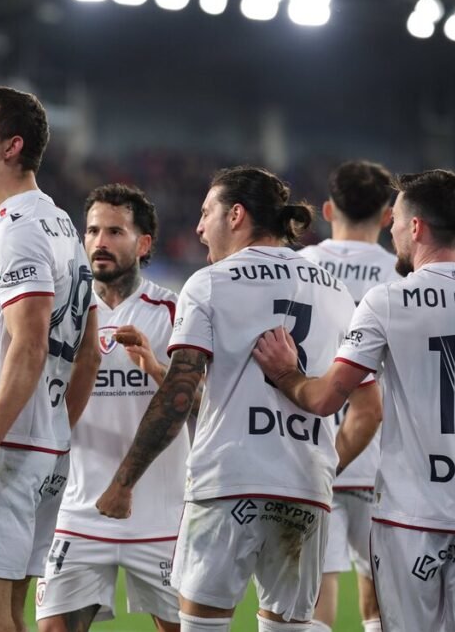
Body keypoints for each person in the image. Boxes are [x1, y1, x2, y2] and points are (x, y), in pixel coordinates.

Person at [96, 166, 382, 632]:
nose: (198, 226)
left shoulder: (210, 283)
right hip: (305, 489)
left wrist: (125, 480)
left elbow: (181, 390)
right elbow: (368, 408)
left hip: (227, 485)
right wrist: (326, 470)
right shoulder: (334, 291)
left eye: (206, 212)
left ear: (236, 214)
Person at [253, 169, 455, 632]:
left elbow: (324, 399)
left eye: (397, 220)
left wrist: (284, 373)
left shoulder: (389, 301)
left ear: (416, 227)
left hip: (411, 516)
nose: (393, 229)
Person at [0, 85, 100, 632]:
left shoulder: (20, 232)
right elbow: (88, 351)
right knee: (7, 612)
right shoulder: (64, 230)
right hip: (42, 445)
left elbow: (30, 344)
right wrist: (56, 429)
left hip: (1, 447)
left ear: (12, 146)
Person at [35, 184, 186, 632]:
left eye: (115, 231)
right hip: (78, 513)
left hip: (161, 517)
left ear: (143, 243)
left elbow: (206, 404)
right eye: (93, 230)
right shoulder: (63, 313)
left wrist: (157, 368)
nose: (100, 242)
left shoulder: (174, 312)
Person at [297, 160, 399, 632]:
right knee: (381, 597)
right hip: (384, 458)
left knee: (317, 593)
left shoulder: (302, 267)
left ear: (326, 209)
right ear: (387, 217)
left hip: (311, 451)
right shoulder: (403, 275)